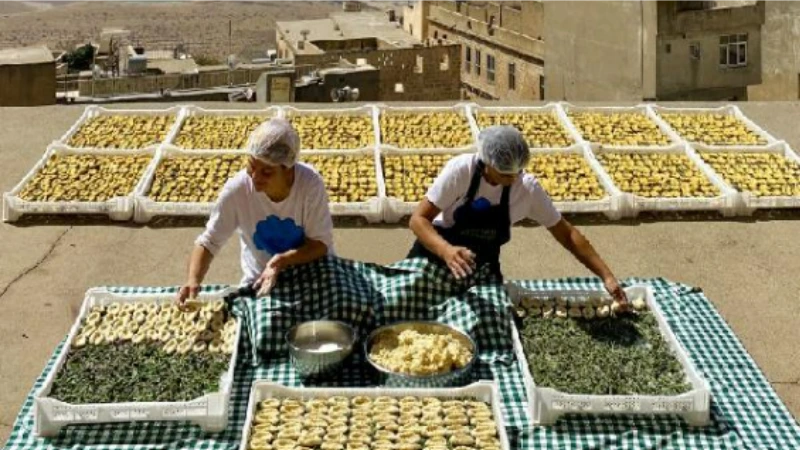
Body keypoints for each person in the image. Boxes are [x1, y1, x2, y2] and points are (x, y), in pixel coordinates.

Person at [407, 125, 628, 304]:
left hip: (480, 265)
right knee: (406, 304)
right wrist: (445, 251)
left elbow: (566, 234)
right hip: (434, 253)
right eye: (505, 173)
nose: (513, 179)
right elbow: (418, 220)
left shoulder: (527, 189)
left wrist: (606, 275)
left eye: (517, 172)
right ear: (487, 163)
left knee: (492, 324)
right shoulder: (461, 171)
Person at [177, 118, 334, 305]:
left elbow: (319, 245)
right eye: (251, 166)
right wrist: (193, 280)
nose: (255, 178)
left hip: (312, 271)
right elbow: (209, 241)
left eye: (267, 172)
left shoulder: (309, 186)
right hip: (260, 279)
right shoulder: (238, 190)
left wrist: (281, 261)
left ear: (288, 170)